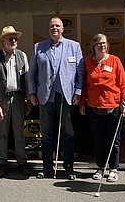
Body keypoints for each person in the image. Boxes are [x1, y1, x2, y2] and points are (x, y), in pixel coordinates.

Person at [28, 16, 84, 179]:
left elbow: (80, 73)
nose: (54, 28)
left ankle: (68, 168)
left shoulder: (74, 47)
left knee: (68, 133)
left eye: (57, 26)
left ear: (62, 29)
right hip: (45, 98)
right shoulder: (39, 47)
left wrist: (78, 92)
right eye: (52, 26)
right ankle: (47, 168)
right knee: (46, 135)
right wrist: (32, 93)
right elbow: (32, 74)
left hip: (66, 98)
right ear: (49, 29)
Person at [79, 33, 125, 182]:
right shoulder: (87, 62)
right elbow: (84, 86)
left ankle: (113, 169)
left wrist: (123, 103)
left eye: (104, 43)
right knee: (99, 140)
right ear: (93, 46)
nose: (102, 46)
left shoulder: (115, 61)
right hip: (94, 107)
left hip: (113, 107)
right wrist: (82, 103)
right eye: (99, 43)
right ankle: (100, 167)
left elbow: (123, 84)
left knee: (113, 140)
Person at [0, 25, 32, 177]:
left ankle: (22, 162)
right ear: (3, 41)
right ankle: (1, 162)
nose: (14, 40)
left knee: (19, 132)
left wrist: (28, 100)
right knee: (3, 133)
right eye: (10, 38)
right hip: (3, 99)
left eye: (15, 38)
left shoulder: (22, 56)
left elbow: (27, 80)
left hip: (19, 97)